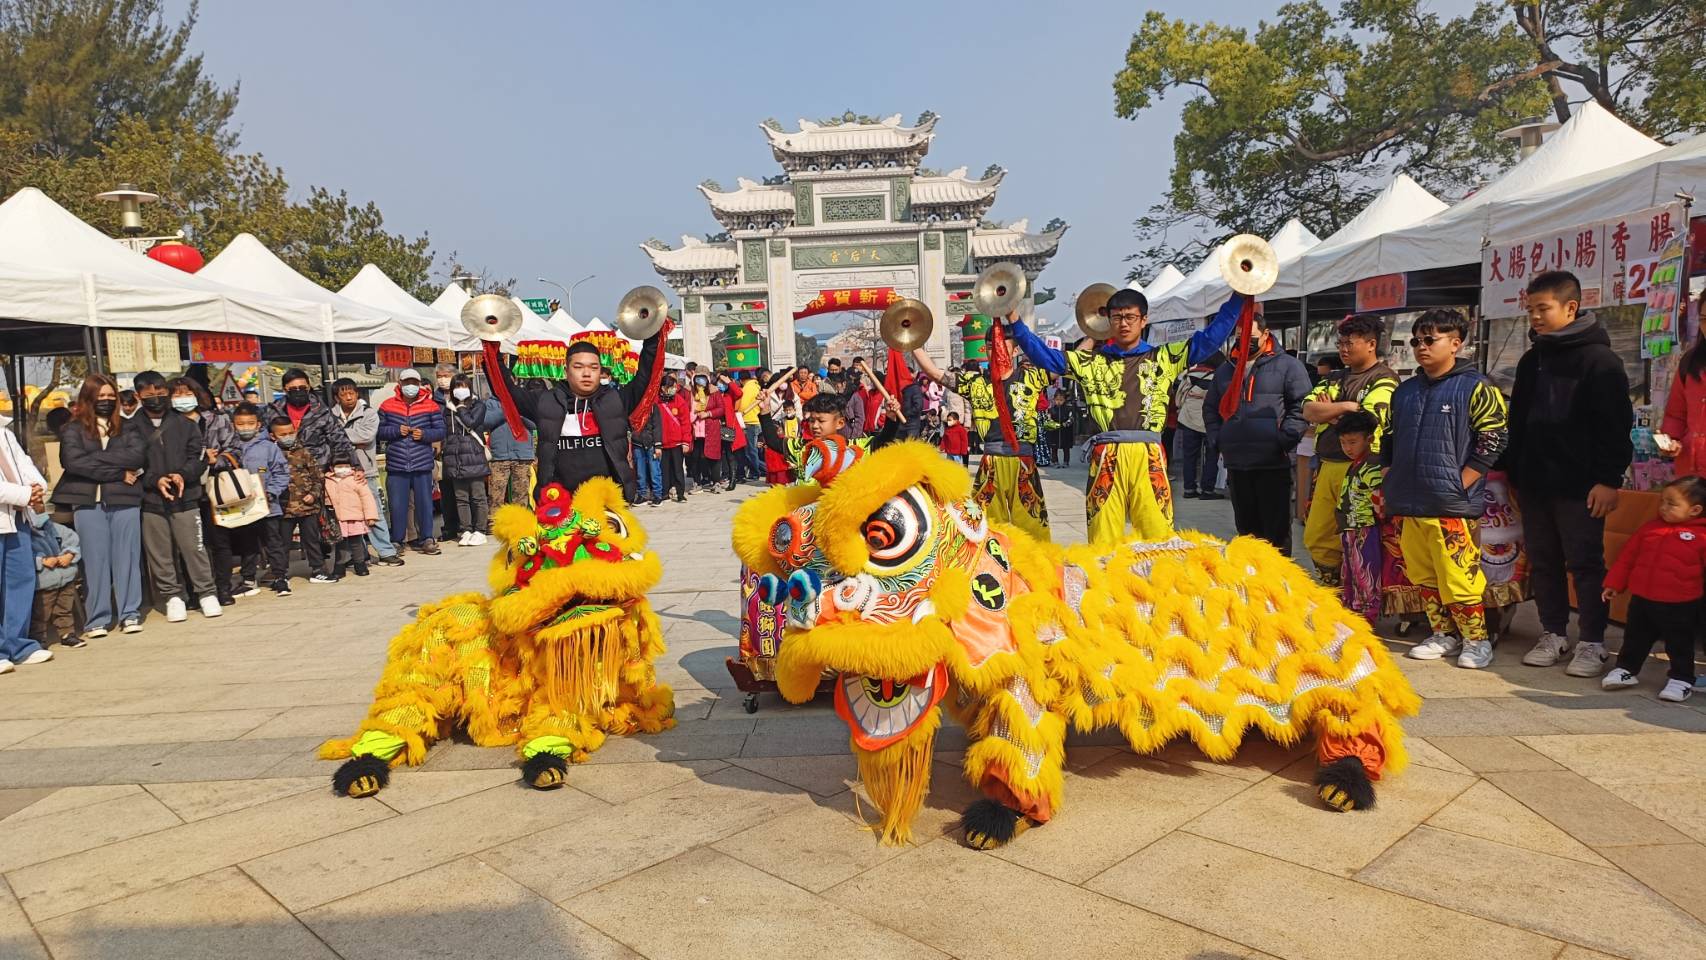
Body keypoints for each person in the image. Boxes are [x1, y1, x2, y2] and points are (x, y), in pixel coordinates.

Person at [1007, 290, 1245, 544]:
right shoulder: (1089, 362)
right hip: (1106, 456)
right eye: (1118, 317)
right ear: (1108, 321)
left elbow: (1210, 339)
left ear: (1144, 320)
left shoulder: (1164, 357)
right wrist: (1014, 321)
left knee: (1159, 539)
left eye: (1131, 317)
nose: (1124, 323)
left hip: (1148, 456)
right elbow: (1043, 355)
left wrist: (1239, 298)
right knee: (1102, 538)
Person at [1508, 270, 1634, 677]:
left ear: (1571, 307)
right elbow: (1518, 422)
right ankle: (1553, 633)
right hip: (1535, 482)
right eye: (1531, 310)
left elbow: (1615, 425)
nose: (1536, 317)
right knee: (1543, 560)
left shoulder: (1600, 361)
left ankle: (1593, 643)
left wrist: (1609, 479)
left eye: (1543, 309)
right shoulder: (1533, 359)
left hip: (1582, 486)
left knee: (1585, 563)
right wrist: (1514, 473)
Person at [1382, 309, 1509, 669]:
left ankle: (1477, 640)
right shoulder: (1404, 391)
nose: (1421, 347)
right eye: (1416, 340)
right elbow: (1389, 438)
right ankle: (1443, 633)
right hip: (1408, 500)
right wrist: (1390, 475)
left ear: (1456, 343)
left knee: (1460, 576)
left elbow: (1494, 438)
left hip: (1451, 504)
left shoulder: (1476, 387)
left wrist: (1462, 481)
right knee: (1423, 573)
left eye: (1430, 339)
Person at [489, 325, 664, 496]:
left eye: (594, 368)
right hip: (558, 503)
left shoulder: (616, 400)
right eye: (578, 367)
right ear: (566, 371)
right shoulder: (545, 402)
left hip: (608, 501)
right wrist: (491, 347)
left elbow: (646, 374)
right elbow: (505, 390)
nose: (587, 373)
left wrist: (652, 333)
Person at [910, 346, 1053, 541]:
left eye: (1003, 346)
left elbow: (1064, 364)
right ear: (986, 351)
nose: (997, 352)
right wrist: (912, 341)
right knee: (984, 529)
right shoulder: (976, 382)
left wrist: (1093, 331)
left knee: (1034, 531)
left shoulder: (1032, 377)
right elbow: (935, 373)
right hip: (991, 464)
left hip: (1024, 463)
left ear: (1015, 350)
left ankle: (1035, 569)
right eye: (992, 347)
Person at [1203, 307, 1310, 553]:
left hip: (1273, 462)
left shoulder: (1288, 366)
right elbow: (1210, 408)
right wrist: (1219, 440)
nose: (1245, 343)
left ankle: (1280, 586)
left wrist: (1284, 440)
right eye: (1239, 337)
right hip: (1237, 462)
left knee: (1276, 535)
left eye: (1250, 337)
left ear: (1265, 335)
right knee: (1247, 533)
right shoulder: (1226, 369)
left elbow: (1301, 405)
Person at [1302, 315, 1399, 585]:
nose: (1343, 348)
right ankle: (1335, 590)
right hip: (1327, 466)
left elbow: (1368, 420)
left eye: (1350, 342)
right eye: (1340, 342)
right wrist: (1348, 407)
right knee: (1317, 535)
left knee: (1362, 536)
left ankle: (1364, 596)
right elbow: (1308, 409)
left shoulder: (1384, 378)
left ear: (1371, 344)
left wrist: (1330, 412)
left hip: (1364, 470)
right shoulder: (1334, 377)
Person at [1599, 474, 1706, 701]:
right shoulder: (1649, 529)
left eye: (1672, 504)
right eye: (1663, 502)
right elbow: (1628, 558)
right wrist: (1614, 583)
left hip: (1681, 604)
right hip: (1642, 599)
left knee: (1679, 642)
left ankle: (1681, 679)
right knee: (1635, 637)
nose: (1664, 508)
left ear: (1695, 510)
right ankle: (1626, 669)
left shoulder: (1702, 536)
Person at [55, 374, 146, 638]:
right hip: (87, 503)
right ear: (88, 399)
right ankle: (97, 617)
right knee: (95, 561)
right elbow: (73, 462)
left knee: (127, 559)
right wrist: (117, 472)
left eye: (110, 396)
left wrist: (95, 459)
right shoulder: (73, 429)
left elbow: (138, 456)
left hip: (124, 500)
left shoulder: (129, 427)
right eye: (100, 396)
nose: (105, 401)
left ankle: (130, 613)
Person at [132, 370, 221, 622]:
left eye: (161, 393)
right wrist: (153, 479)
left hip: (186, 496)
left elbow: (198, 458)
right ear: (139, 396)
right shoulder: (130, 428)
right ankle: (172, 596)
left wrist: (183, 474)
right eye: (149, 395)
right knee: (160, 552)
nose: (156, 398)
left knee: (194, 548)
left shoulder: (186, 424)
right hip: (151, 500)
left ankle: (206, 593)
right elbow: (131, 463)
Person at [170, 376, 241, 606]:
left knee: (220, 541)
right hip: (184, 488)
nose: (183, 399)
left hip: (215, 488)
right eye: (177, 395)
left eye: (186, 393)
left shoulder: (217, 420)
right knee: (189, 544)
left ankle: (223, 588)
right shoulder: (168, 424)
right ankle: (194, 591)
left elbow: (234, 450)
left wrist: (214, 461)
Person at [330, 378, 403, 567]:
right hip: (339, 474)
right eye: (343, 394)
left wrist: (340, 437)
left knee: (373, 512)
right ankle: (359, 555)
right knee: (347, 515)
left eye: (351, 393)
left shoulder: (369, 414)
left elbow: (366, 436)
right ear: (336, 397)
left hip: (365, 470)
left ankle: (386, 551)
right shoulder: (330, 416)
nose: (348, 397)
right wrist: (350, 439)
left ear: (357, 394)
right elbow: (330, 439)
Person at [0, 412, 50, 673]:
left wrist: (37, 487)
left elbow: (25, 464)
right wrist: (26, 494)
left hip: (17, 517)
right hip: (10, 508)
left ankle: (18, 645)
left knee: (20, 581)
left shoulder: (5, 432)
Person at [377, 368, 446, 555]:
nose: (411, 386)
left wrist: (424, 435)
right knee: (397, 505)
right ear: (399, 384)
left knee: (425, 504)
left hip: (422, 462)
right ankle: (398, 540)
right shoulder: (387, 406)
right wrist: (396, 431)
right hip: (397, 464)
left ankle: (427, 539)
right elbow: (379, 431)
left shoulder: (430, 406)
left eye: (414, 383)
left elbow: (440, 430)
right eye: (407, 383)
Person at [229, 404, 288, 596]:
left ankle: (280, 576)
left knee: (273, 541)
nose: (245, 427)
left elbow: (281, 473)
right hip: (241, 508)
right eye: (240, 424)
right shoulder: (230, 447)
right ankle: (248, 578)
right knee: (247, 544)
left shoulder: (269, 447)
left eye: (250, 423)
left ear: (258, 424)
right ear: (233, 424)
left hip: (268, 506)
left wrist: (272, 492)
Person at [269, 415, 333, 589]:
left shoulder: (303, 452)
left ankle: (318, 569)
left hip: (307, 506)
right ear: (273, 436)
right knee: (282, 543)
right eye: (283, 434)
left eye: (291, 432)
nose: (288, 436)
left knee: (311, 540)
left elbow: (317, 477)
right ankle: (279, 574)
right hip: (283, 508)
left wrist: (313, 494)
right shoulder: (270, 454)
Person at [1332, 411, 1384, 622]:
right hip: (1350, 528)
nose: (1348, 448)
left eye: (1353, 442)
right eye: (1343, 442)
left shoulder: (1371, 466)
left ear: (1369, 439)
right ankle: (1351, 612)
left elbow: (1380, 496)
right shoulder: (1356, 465)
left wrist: (1381, 517)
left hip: (1366, 528)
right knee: (1350, 571)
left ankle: (1367, 617)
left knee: (1366, 572)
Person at [267, 368, 354, 471]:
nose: (298, 391)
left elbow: (340, 441)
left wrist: (356, 466)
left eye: (302, 387)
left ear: (308, 387)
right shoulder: (273, 412)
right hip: (283, 471)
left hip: (318, 471)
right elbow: (262, 441)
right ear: (285, 389)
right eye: (293, 389)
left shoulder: (322, 411)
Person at [442, 373, 493, 546]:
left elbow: (471, 422)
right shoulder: (447, 408)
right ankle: (465, 529)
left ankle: (480, 530)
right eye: (457, 386)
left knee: (478, 495)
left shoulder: (479, 405)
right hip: (455, 458)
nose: (460, 390)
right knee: (461, 497)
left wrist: (462, 406)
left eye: (464, 386)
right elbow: (446, 432)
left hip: (473, 456)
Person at [1659, 288, 1706, 475]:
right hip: (1691, 475)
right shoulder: (1691, 362)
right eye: (1703, 319)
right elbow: (1675, 415)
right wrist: (1671, 440)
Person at [28, 509, 80, 652]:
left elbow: (72, 538)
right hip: (43, 581)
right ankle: (38, 639)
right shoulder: (25, 534)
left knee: (64, 609)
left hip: (65, 577)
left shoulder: (54, 527)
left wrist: (69, 554)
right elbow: (24, 556)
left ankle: (67, 634)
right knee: (40, 613)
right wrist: (41, 561)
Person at [324, 453, 380, 577]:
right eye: (339, 466)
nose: (343, 469)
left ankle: (360, 565)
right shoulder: (327, 481)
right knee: (340, 544)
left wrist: (370, 516)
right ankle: (339, 567)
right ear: (332, 468)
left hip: (354, 518)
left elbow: (367, 498)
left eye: (346, 466)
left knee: (356, 543)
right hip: (338, 519)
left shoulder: (356, 480)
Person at [1172, 358, 1221, 499]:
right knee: (1211, 456)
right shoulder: (1217, 376)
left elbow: (1179, 397)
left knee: (1189, 456)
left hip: (1188, 419)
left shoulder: (1188, 375)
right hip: (1210, 421)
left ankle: (1189, 489)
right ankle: (1207, 490)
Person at [483, 382, 535, 512]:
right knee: (496, 494)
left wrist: (518, 412)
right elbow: (485, 422)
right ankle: (495, 523)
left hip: (522, 453)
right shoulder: (490, 403)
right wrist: (506, 409)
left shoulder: (524, 401)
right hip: (499, 455)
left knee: (521, 494)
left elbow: (534, 423)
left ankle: (519, 522)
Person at [659, 375, 691, 503]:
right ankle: (665, 493)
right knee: (664, 469)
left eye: (674, 386)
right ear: (662, 388)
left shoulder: (679, 401)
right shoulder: (657, 402)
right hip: (663, 442)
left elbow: (686, 422)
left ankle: (680, 493)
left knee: (678, 469)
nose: (673, 389)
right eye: (670, 387)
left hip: (677, 441)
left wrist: (686, 441)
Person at [632, 398, 664, 506]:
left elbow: (657, 427)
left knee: (655, 470)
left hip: (651, 443)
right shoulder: (633, 405)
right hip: (637, 442)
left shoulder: (653, 407)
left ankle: (657, 495)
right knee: (640, 471)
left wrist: (658, 445)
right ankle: (642, 494)